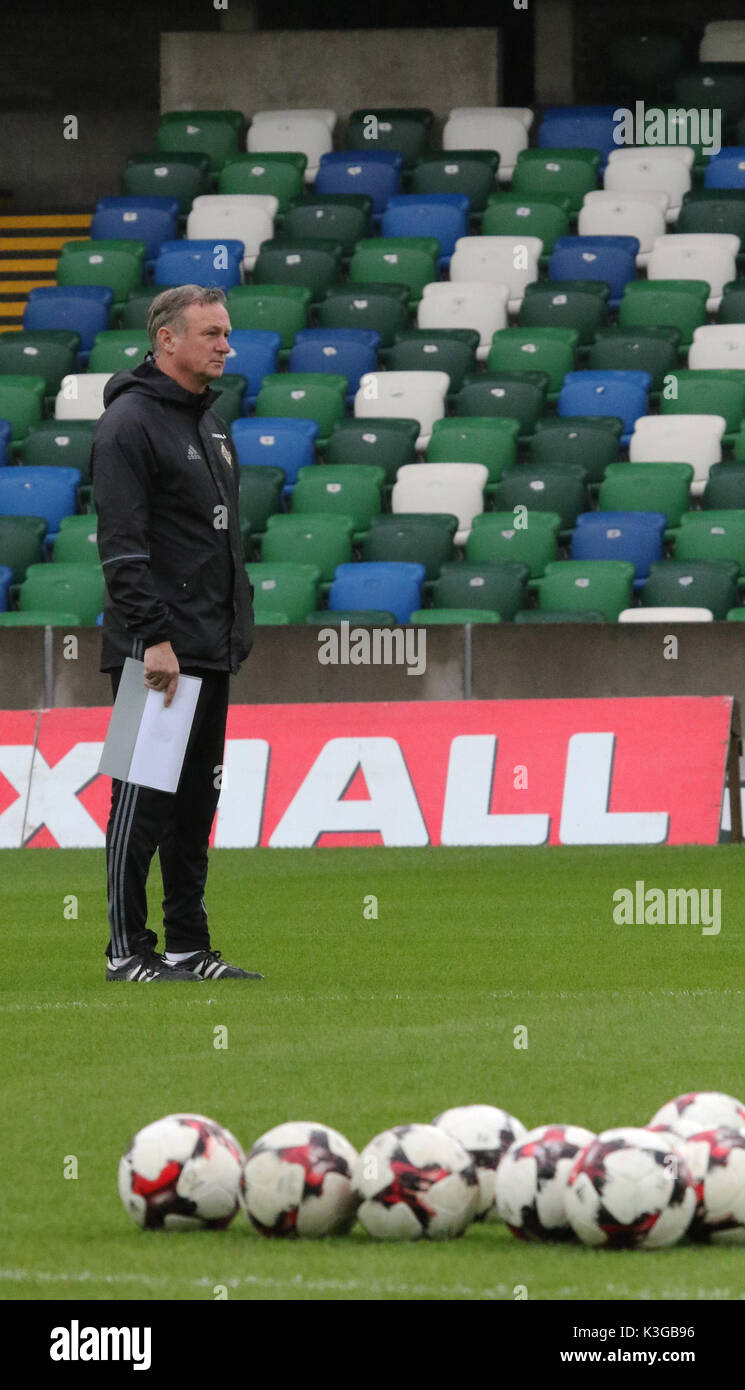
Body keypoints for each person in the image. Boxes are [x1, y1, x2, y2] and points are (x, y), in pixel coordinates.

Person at [92, 284, 263, 982]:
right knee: (141, 800)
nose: (225, 345)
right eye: (211, 334)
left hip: (208, 644)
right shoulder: (129, 423)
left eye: (226, 334)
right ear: (167, 338)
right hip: (154, 649)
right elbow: (122, 545)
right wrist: (151, 637)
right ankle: (126, 950)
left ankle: (189, 945)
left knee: (196, 806)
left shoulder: (212, 425)